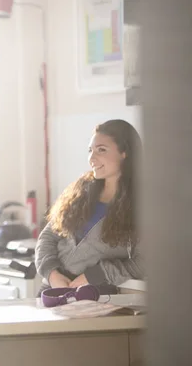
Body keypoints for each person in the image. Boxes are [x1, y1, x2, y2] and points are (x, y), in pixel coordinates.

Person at [35, 119, 143, 295]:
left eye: (101, 150)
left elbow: (143, 262)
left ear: (125, 152)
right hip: (51, 292)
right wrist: (52, 273)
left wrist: (96, 275)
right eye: (90, 150)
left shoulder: (140, 204)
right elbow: (47, 237)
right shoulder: (81, 191)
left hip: (96, 297)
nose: (92, 158)